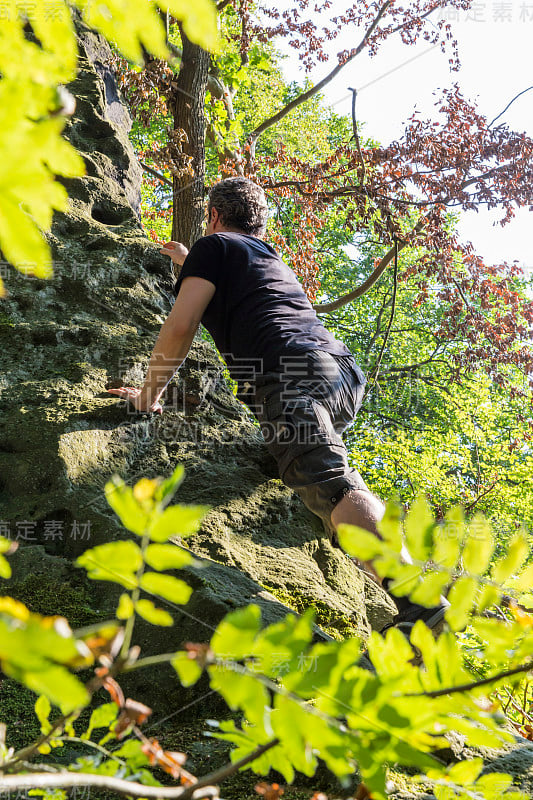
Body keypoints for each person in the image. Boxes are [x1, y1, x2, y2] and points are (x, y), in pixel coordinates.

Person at [108, 177, 448, 646]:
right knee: (311, 466)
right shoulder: (264, 258)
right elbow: (235, 291)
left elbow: (183, 323)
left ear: (213, 216)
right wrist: (187, 261)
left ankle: (419, 601)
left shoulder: (215, 245)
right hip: (340, 374)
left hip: (289, 374)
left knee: (331, 482)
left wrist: (150, 393)